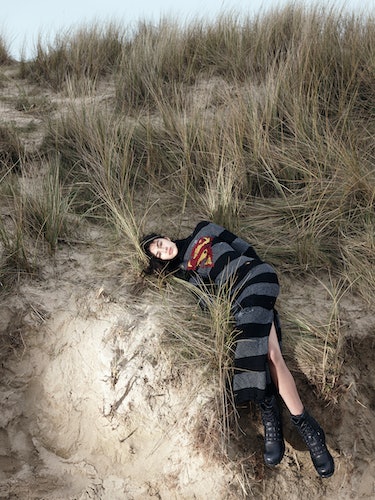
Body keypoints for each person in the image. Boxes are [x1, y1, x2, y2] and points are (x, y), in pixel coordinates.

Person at [140, 220, 334, 478]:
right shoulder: (187, 274)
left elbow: (242, 245)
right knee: (270, 355)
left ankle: (273, 415)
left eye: (160, 244)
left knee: (257, 353)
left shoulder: (203, 230)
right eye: (159, 253)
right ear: (162, 262)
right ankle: (306, 426)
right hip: (241, 303)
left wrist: (250, 270)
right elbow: (211, 304)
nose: (164, 250)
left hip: (256, 276)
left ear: (165, 237)